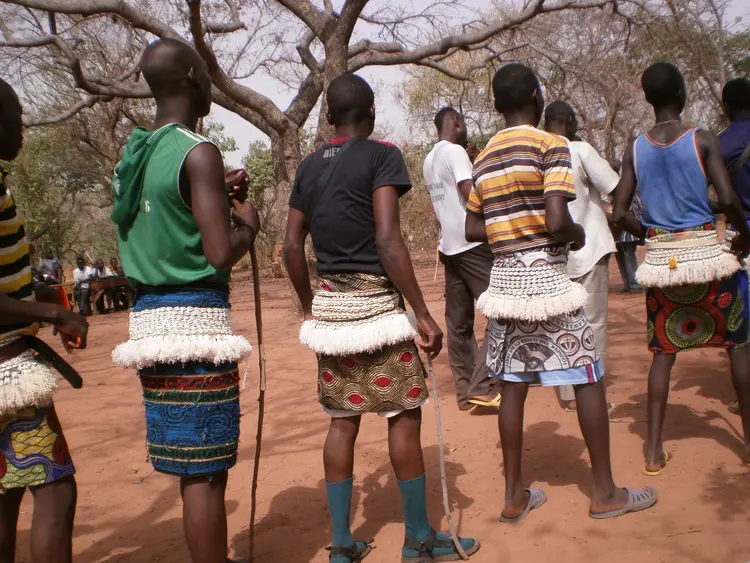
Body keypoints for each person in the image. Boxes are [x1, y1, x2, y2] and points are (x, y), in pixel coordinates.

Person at [284, 73, 479, 563]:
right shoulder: (381, 155)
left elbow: (290, 247)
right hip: (377, 312)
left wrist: (310, 307)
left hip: (333, 315)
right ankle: (418, 539)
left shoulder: (307, 168)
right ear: (370, 114)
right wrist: (422, 313)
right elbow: (388, 240)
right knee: (403, 414)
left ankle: (342, 544)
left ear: (329, 117)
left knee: (341, 422)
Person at [465, 63, 656, 521]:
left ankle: (514, 497)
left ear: (496, 105)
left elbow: (472, 227)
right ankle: (605, 493)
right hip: (550, 284)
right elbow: (556, 220)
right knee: (587, 374)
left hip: (505, 286)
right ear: (537, 97)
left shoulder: (483, 158)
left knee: (512, 384)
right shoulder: (550, 145)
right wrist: (576, 234)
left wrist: (509, 235)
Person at [110, 39, 258, 563]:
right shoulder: (198, 151)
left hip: (149, 327)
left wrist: (212, 191)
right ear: (194, 76)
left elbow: (166, 218)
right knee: (206, 473)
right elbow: (219, 253)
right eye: (207, 72)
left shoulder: (135, 155)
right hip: (196, 326)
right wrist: (248, 227)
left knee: (189, 461)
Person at [613, 62, 750, 473]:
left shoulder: (635, 149)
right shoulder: (701, 139)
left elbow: (619, 213)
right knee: (738, 346)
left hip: (663, 264)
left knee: (663, 352)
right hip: (709, 258)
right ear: (682, 93)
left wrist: (651, 233)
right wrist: (743, 234)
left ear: (647, 97)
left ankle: (654, 453)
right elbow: (729, 200)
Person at [0, 78, 89, 563]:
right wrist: (53, 311)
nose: (22, 128)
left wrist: (42, 298)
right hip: (6, 371)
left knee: (6, 491)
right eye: (14, 117)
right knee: (55, 490)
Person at [422, 107, 500, 412]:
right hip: (472, 245)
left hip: (449, 247)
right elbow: (471, 196)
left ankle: (466, 391)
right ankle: (481, 384)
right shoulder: (455, 153)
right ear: (456, 122)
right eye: (463, 122)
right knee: (503, 311)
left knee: (459, 324)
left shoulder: (429, 159)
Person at [544, 101, 619, 412]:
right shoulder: (580, 150)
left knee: (561, 323)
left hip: (552, 256)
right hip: (589, 247)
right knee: (594, 322)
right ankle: (592, 392)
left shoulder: (538, 153)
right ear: (570, 122)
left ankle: (568, 394)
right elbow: (613, 185)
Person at [719, 78, 750, 418]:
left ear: (725, 107)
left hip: (742, 239)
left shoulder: (721, 143)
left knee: (742, 324)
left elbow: (718, 198)